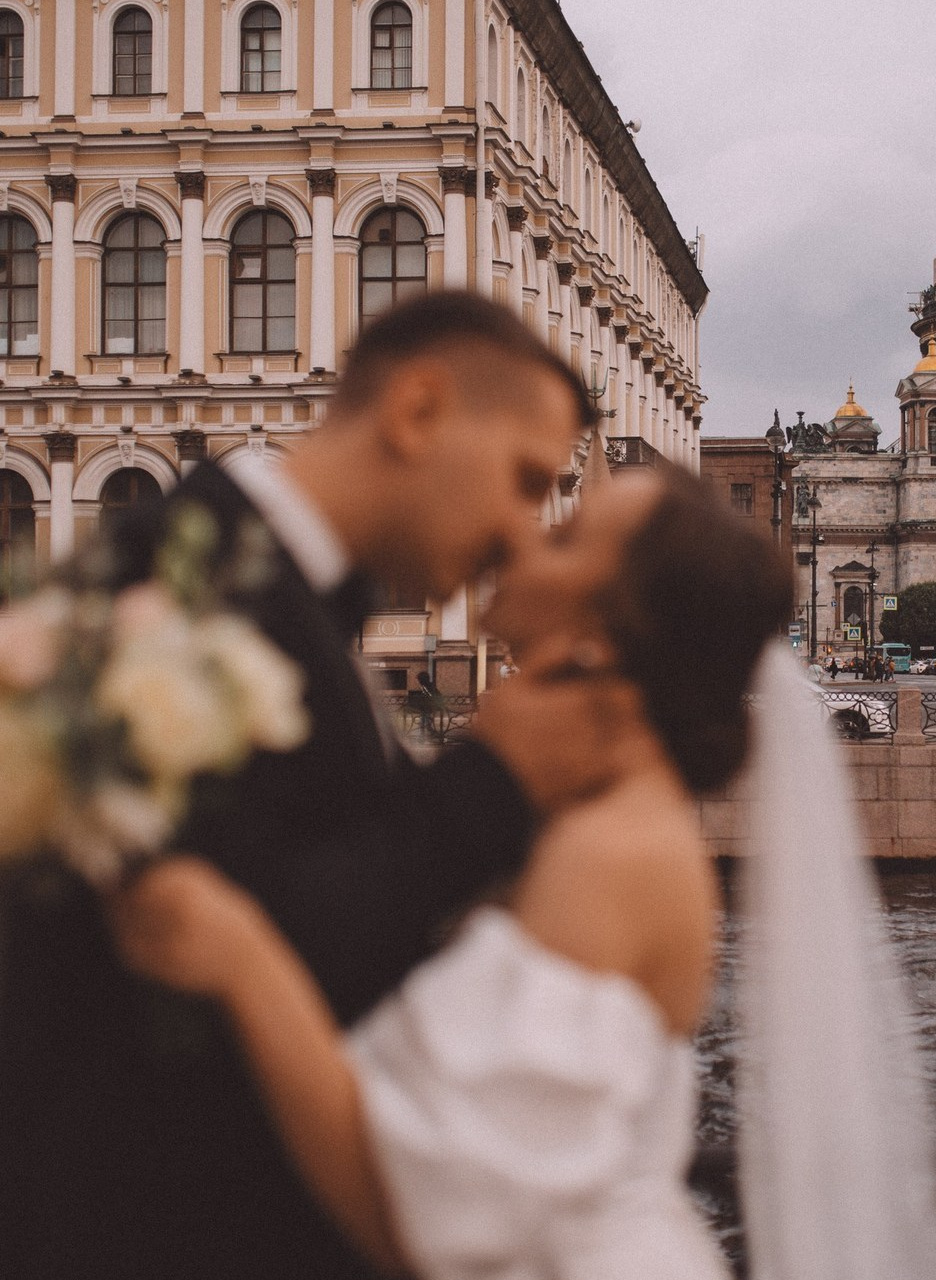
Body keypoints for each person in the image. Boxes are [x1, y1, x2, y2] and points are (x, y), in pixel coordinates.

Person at [0, 291, 649, 1280]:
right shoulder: (169, 598)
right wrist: (490, 783)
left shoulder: (263, 587)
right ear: (418, 411)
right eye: (525, 481)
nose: (525, 536)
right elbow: (204, 952)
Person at [111, 469, 798, 1280]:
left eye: (564, 537)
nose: (521, 537)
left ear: (609, 631)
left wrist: (241, 955)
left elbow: (425, 1218)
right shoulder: (584, 808)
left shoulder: (613, 851)